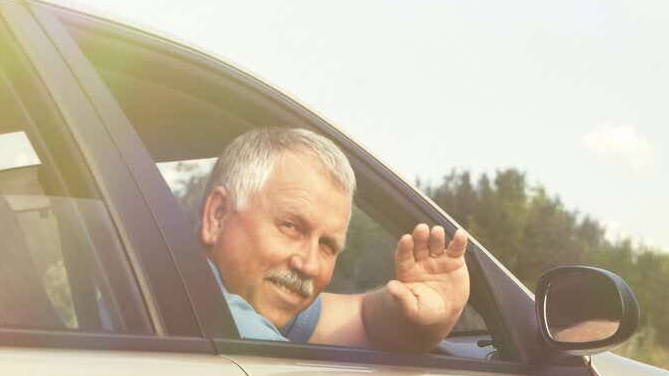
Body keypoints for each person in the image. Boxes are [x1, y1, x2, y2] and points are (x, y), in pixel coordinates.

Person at [198, 127, 468, 352]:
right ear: (218, 216)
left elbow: (363, 321)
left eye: (327, 245)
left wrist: (425, 313)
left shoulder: (211, 292)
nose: (310, 265)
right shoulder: (217, 317)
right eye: (290, 226)